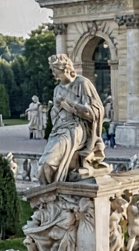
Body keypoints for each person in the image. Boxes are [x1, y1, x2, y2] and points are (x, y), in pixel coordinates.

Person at [34, 54, 108, 185]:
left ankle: (53, 193)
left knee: (48, 163)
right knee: (44, 165)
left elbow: (95, 111)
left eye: (53, 69)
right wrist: (56, 108)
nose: (52, 73)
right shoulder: (57, 89)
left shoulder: (82, 83)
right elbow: (54, 116)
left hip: (77, 128)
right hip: (59, 129)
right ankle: (49, 195)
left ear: (64, 68)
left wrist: (71, 105)